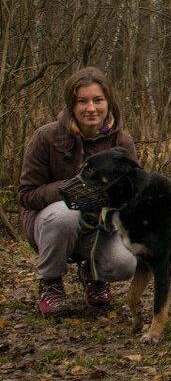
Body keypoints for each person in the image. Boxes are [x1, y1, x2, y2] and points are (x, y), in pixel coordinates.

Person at [18, 67, 139, 318]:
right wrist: (70, 190)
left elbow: (134, 193)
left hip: (102, 227)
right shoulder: (47, 137)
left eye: (97, 100)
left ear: (109, 102)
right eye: (82, 101)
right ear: (71, 105)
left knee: (127, 263)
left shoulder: (121, 142)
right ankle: (50, 283)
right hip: (51, 224)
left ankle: (94, 274)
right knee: (66, 214)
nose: (90, 108)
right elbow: (27, 195)